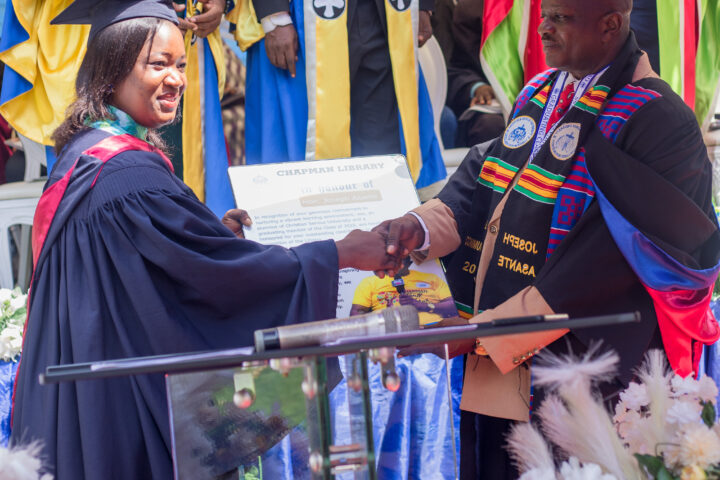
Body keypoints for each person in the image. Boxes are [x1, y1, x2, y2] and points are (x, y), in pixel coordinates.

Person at [9, 1, 396, 477]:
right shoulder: (128, 175)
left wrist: (209, 234)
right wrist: (337, 254)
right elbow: (214, 281)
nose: (176, 79)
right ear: (111, 71)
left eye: (181, 64)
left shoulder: (86, 153)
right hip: (124, 404)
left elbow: (142, 271)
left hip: (92, 390)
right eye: (158, 64)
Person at [374, 0, 720, 477]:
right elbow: (487, 175)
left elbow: (607, 260)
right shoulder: (541, 91)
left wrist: (489, 331)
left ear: (610, 25)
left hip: (584, 368)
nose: (543, 28)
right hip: (500, 356)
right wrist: (423, 225)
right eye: (543, 15)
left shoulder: (659, 118)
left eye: (559, 18)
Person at [236, 0, 447, 192]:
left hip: (386, 14)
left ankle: (379, 218)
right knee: (305, 138)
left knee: (381, 151)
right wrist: (274, 16)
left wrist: (423, 6)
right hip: (306, 19)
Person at [445, 0, 506, 147]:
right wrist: (476, 86)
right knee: (490, 126)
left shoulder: (540, 10)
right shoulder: (471, 10)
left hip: (542, 97)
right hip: (490, 104)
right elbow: (455, 66)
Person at [350, 256, 457, 325]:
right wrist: (384, 316)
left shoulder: (431, 278)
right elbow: (356, 315)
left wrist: (422, 306)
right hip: (391, 335)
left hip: (434, 330)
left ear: (409, 260)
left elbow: (453, 307)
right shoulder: (369, 282)